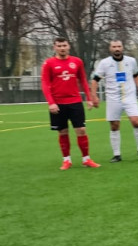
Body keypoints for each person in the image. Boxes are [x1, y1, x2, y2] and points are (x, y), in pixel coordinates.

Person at [41, 36, 99, 170]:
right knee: (63, 132)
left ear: (69, 46)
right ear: (54, 47)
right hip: (58, 103)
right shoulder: (48, 63)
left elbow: (83, 80)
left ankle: (86, 159)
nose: (62, 48)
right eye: (59, 46)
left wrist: (89, 98)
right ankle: (66, 160)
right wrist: (51, 102)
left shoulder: (77, 62)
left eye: (64, 46)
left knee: (81, 130)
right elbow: (45, 83)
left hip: (75, 102)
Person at [92, 41, 138, 161]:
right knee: (114, 126)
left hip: (129, 96)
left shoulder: (131, 61)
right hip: (113, 98)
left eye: (119, 46)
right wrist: (94, 96)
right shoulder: (105, 63)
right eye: (114, 47)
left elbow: (136, 74)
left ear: (122, 48)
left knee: (136, 122)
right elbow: (95, 80)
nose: (117, 49)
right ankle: (117, 154)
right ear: (110, 49)